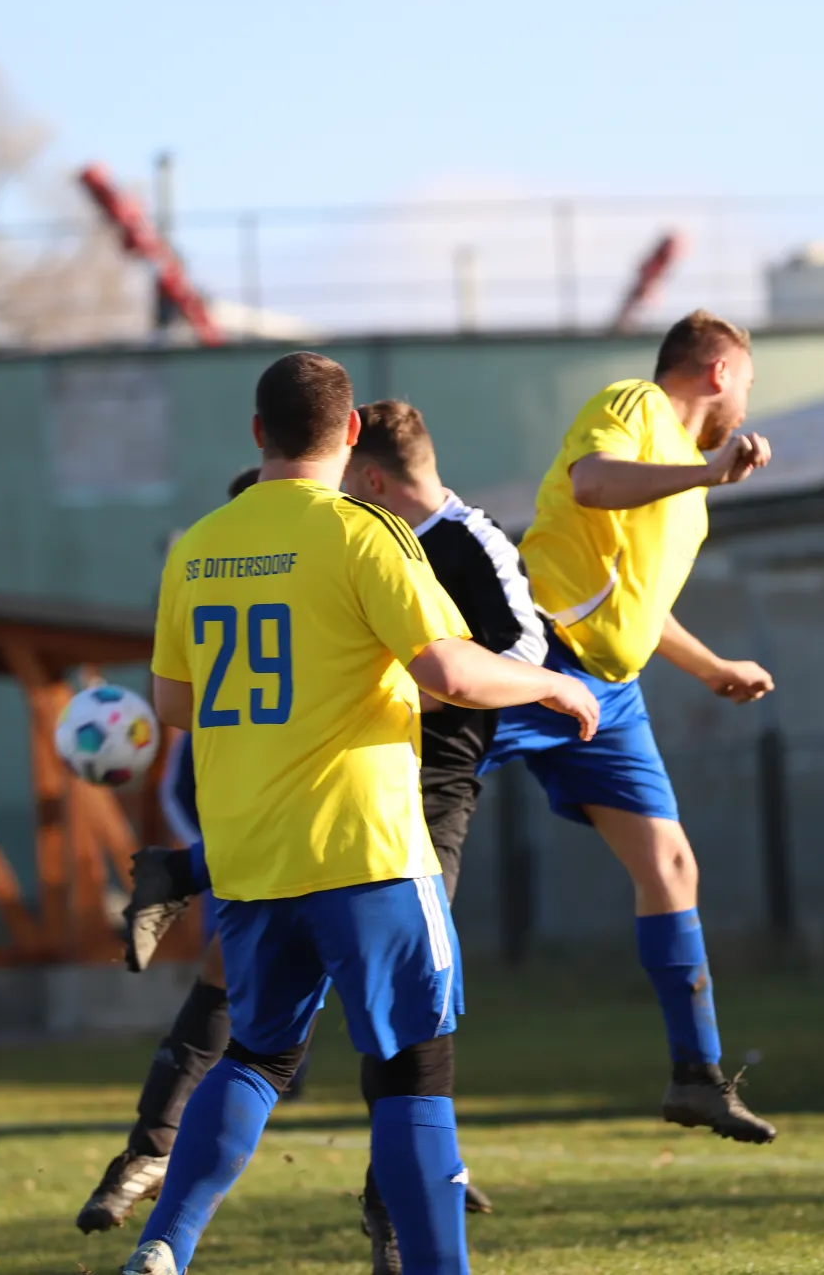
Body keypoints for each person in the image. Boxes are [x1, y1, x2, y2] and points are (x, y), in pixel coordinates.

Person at [119, 352, 601, 1275]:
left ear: (257, 433)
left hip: (254, 858)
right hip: (366, 849)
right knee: (416, 1068)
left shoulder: (197, 546)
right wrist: (549, 685)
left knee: (257, 1056)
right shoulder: (364, 531)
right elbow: (449, 671)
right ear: (349, 433)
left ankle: (165, 1245)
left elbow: (173, 702)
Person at [479, 309, 780, 1143]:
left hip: (612, 692)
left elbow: (641, 606)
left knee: (671, 863)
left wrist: (710, 665)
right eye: (749, 383)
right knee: (386, 812)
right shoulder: (634, 403)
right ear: (719, 372)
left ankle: (697, 1076)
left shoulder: (688, 476)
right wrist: (707, 469)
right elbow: (591, 482)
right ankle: (190, 866)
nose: (747, 403)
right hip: (537, 660)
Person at [77, 467, 261, 1236]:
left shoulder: (211, 574)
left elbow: (173, 701)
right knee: (397, 1023)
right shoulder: (328, 567)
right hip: (318, 833)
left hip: (255, 829)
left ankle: (147, 1158)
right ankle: (411, 1183)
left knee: (228, 992)